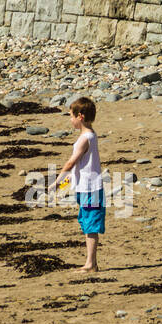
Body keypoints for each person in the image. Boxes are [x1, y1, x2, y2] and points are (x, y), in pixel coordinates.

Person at [59, 96, 104, 273]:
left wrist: (57, 182)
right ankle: (90, 262)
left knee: (91, 224)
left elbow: (71, 162)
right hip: (85, 186)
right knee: (86, 222)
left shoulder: (86, 138)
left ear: (80, 117)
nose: (70, 120)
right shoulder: (89, 135)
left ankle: (91, 264)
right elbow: (83, 164)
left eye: (71, 116)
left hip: (91, 188)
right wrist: (69, 180)